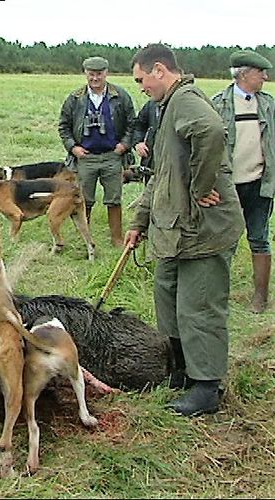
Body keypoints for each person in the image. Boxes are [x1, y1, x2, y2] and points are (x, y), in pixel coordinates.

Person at [125, 43, 244, 417]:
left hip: (203, 231)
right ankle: (180, 370)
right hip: (174, 231)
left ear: (160, 70)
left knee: (199, 307)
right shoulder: (165, 108)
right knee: (167, 296)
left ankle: (206, 387)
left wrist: (200, 186)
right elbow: (160, 176)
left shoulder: (187, 99)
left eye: (142, 79)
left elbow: (210, 131)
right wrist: (139, 221)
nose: (141, 87)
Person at [212, 50, 274, 314]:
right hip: (228, 186)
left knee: (259, 238)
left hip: (260, 184)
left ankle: (260, 297)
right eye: (261, 73)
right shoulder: (217, 105)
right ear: (244, 74)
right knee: (226, 241)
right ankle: (219, 296)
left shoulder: (269, 105)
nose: (265, 77)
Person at [58, 56, 135, 247]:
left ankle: (117, 239)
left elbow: (132, 125)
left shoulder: (121, 96)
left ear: (106, 73)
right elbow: (63, 126)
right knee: (84, 200)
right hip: (86, 157)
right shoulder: (75, 99)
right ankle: (86, 240)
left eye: (99, 74)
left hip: (112, 156)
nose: (95, 78)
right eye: (91, 74)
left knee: (114, 199)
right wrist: (73, 148)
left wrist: (124, 145)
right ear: (85, 74)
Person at [132, 98, 159, 184]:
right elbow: (138, 126)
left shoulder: (180, 104)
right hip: (151, 163)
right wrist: (138, 143)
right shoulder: (151, 105)